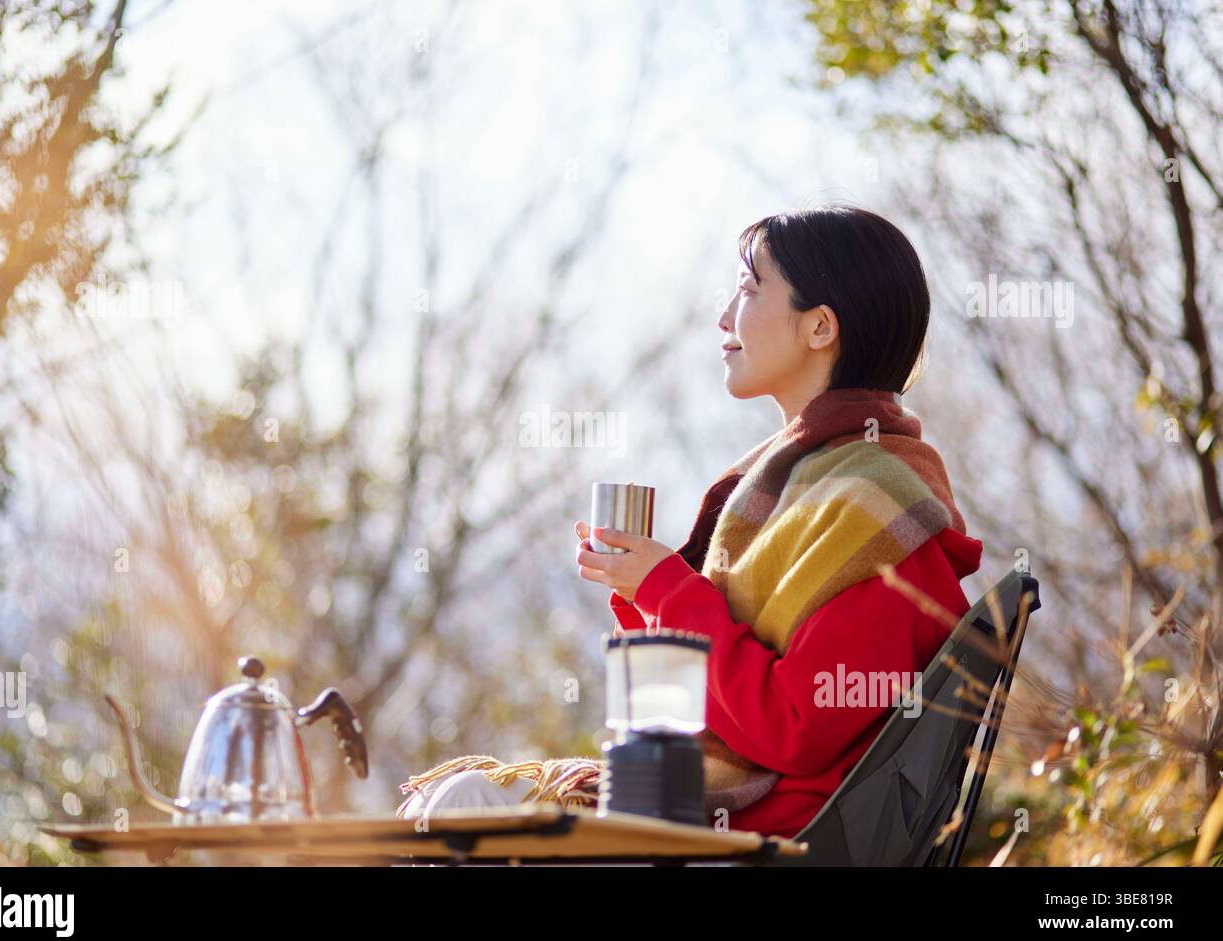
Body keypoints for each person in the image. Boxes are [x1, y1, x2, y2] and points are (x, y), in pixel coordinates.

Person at [399, 205, 982, 839]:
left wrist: (668, 591)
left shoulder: (876, 514)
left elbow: (792, 727)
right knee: (449, 803)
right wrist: (643, 593)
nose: (725, 317)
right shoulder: (810, 489)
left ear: (819, 327)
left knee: (461, 806)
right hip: (732, 823)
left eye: (750, 289)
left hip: (771, 837)